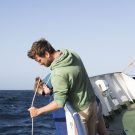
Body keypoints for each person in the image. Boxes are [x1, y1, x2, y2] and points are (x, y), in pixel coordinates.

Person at [27, 38, 97, 135]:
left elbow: (59, 103)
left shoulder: (58, 74)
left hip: (81, 111)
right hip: (92, 104)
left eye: (39, 60)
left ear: (47, 54)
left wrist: (38, 111)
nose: (40, 64)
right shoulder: (71, 53)